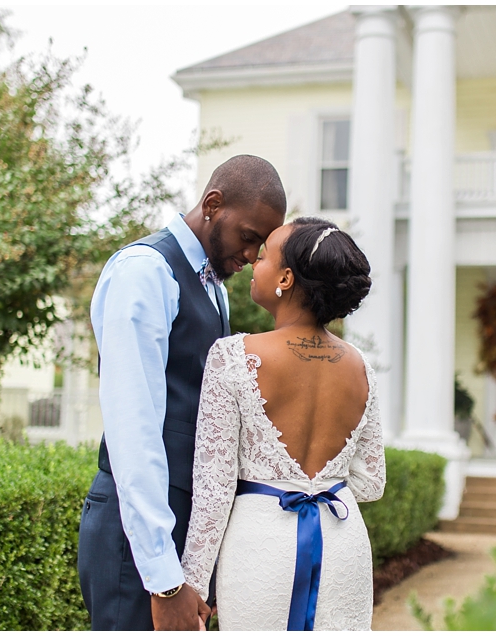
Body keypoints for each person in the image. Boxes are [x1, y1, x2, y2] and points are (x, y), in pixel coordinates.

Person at [77, 155, 286, 631]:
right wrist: (165, 580)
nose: (253, 256)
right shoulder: (145, 271)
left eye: (262, 245)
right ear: (213, 204)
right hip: (136, 543)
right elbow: (135, 431)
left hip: (181, 535)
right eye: (249, 237)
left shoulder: (215, 287)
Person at [180, 217, 386, 630]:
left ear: (286, 278)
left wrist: (193, 586)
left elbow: (214, 489)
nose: (255, 261)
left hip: (260, 548)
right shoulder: (361, 367)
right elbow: (371, 483)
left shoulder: (232, 357)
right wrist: (318, 482)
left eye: (266, 255)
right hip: (343, 545)